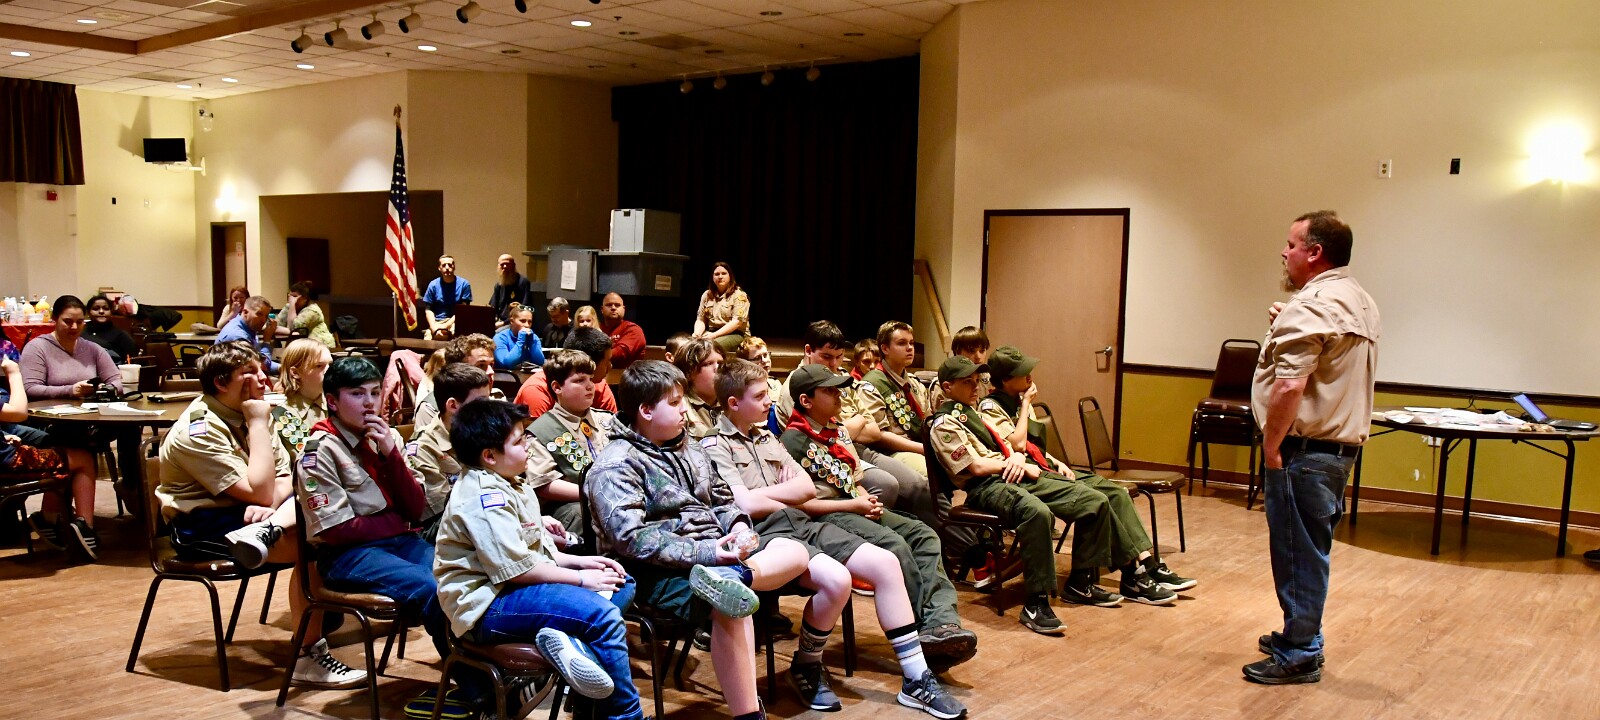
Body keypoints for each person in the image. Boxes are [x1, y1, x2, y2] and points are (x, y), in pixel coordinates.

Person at [704, 359, 969, 716]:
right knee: (838, 580)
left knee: (886, 562)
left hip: (801, 521)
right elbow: (746, 504)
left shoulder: (767, 437)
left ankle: (916, 678)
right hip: (762, 534)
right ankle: (807, 664)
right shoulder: (714, 444)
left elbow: (803, 488)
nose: (770, 401)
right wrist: (783, 493)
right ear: (734, 403)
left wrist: (775, 495)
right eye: (760, 395)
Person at [586, 359, 808, 720]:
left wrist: (738, 529)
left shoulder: (690, 448)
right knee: (731, 607)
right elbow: (632, 540)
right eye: (674, 403)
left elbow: (722, 500)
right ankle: (749, 715)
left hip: (716, 557)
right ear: (645, 411)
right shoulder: (616, 464)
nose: (684, 410)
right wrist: (708, 552)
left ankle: (731, 577)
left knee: (795, 551)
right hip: (654, 572)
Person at [157, 341, 365, 688]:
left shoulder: (256, 410)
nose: (264, 379)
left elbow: (291, 475)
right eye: (249, 373)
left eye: (261, 369)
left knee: (326, 522)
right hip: (200, 525)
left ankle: (274, 535)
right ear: (221, 383)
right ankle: (307, 657)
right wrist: (257, 428)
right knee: (314, 541)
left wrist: (268, 496)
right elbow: (264, 490)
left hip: (257, 512)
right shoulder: (198, 429)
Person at [928, 356, 1184, 635]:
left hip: (1014, 474)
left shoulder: (972, 413)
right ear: (947, 387)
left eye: (977, 381)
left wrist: (1017, 458)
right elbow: (975, 466)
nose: (976, 387)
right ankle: (1036, 603)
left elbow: (1010, 446)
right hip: (986, 486)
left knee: (1096, 500)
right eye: (968, 382)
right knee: (1037, 513)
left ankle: (1081, 582)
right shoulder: (944, 423)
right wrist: (1012, 462)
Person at [434, 398, 642, 720]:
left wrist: (583, 563)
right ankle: (624, 716)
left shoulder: (511, 480)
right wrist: (582, 579)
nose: (529, 445)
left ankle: (572, 651)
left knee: (621, 582)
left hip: (517, 588)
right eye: (519, 441)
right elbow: (517, 570)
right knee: (603, 617)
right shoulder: (484, 496)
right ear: (489, 456)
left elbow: (539, 554)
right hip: (488, 606)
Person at [1245, 211, 1380, 685]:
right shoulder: (1358, 299)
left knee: (1297, 552)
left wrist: (1272, 448)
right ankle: (1299, 633)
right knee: (1308, 548)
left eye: (1291, 244)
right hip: (1334, 453)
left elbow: (1289, 386)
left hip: (1303, 451)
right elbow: (1330, 359)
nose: (1284, 253)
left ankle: (1300, 652)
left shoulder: (1314, 304)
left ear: (1315, 252)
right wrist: (1287, 321)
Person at [780, 363, 979, 670]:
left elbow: (854, 478)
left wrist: (865, 498)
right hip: (827, 517)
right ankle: (922, 633)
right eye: (829, 391)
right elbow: (800, 505)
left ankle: (942, 622)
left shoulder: (836, 430)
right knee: (894, 545)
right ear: (806, 401)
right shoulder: (792, 442)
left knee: (924, 535)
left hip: (854, 506)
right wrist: (854, 505)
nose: (839, 396)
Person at [975, 346, 1196, 604]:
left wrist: (1057, 461)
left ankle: (1146, 564)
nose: (1030, 376)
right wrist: (1025, 405)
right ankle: (1131, 573)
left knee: (1116, 493)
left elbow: (1035, 448)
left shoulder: (1020, 398)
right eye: (1023, 372)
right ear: (1005, 380)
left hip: (1044, 466)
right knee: (1094, 500)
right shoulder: (992, 406)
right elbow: (1018, 445)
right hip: (1025, 476)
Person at [298, 356, 455, 704]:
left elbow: (415, 508)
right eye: (357, 394)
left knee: (460, 575)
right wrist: (398, 522)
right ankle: (476, 684)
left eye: (373, 392)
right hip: (348, 556)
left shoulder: (388, 437)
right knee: (432, 588)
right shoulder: (320, 451)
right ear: (332, 401)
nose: (369, 403)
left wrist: (391, 454)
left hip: (400, 543)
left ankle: (495, 668)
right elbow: (337, 530)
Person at [776, 322, 974, 562]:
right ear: (808, 351)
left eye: (838, 357)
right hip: (829, 456)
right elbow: (826, 432)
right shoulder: (798, 386)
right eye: (827, 357)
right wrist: (852, 425)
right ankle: (965, 548)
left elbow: (869, 429)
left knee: (931, 485)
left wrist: (851, 425)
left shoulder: (841, 379)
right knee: (899, 484)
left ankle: (962, 545)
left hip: (854, 448)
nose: (834, 364)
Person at [18, 295, 122, 559]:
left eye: (79, 322)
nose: (74, 327)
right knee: (77, 443)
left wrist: (103, 388)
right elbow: (29, 388)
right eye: (67, 321)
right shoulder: (37, 348)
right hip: (45, 421)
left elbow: (116, 381)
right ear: (54, 320)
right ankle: (80, 524)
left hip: (87, 418)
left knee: (118, 433)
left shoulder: (92, 348)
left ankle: (52, 517)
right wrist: (70, 390)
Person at [4, 356, 98, 560]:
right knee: (83, 458)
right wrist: (14, 373)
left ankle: (47, 519)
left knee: (58, 447)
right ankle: (85, 529)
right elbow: (19, 413)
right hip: (6, 462)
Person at [525, 350, 611, 534]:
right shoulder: (543, 430)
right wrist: (592, 494)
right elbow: (543, 484)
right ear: (557, 387)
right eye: (580, 380)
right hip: (572, 503)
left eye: (590, 379)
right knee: (582, 513)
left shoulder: (607, 420)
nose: (590, 386)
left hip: (614, 492)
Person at [408, 362, 492, 542]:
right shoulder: (423, 447)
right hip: (441, 528)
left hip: (483, 513)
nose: (487, 410)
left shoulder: (483, 432)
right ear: (453, 405)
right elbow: (441, 512)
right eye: (480, 403)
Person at [857, 320, 932, 476]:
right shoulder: (871, 385)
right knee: (930, 472)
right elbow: (879, 436)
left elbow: (927, 419)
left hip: (920, 445)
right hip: (891, 452)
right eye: (902, 343)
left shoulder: (914, 384)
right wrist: (923, 449)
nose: (910, 348)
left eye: (911, 343)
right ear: (885, 348)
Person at [516, 327, 618, 419]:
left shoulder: (598, 384)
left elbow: (613, 428)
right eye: (607, 361)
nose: (610, 366)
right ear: (588, 362)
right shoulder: (537, 390)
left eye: (590, 379)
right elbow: (538, 433)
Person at [415, 333, 497, 428]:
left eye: (491, 365)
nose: (491, 372)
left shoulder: (497, 396)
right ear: (457, 369)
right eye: (481, 365)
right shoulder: (431, 407)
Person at [273, 339, 332, 457]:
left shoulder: (339, 405)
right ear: (295, 373)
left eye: (330, 364)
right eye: (319, 366)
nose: (329, 371)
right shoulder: (282, 415)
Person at [693, 262, 751, 355]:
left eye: (724, 273)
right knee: (690, 344)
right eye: (717, 274)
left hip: (736, 334)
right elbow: (701, 319)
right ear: (712, 277)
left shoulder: (739, 295)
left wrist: (714, 335)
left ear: (730, 276)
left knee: (710, 346)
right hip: (712, 332)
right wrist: (697, 333)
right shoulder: (707, 295)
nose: (720, 277)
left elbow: (736, 322)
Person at [670, 337, 722, 439]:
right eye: (708, 364)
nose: (717, 368)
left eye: (720, 363)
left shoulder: (734, 403)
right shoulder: (679, 407)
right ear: (688, 373)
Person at [215, 295, 280, 374]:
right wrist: (266, 341)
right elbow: (261, 367)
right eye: (259, 314)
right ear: (245, 312)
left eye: (266, 316)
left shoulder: (249, 328)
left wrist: (282, 367)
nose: (263, 320)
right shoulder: (239, 336)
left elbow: (258, 360)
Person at [735, 336, 786, 435]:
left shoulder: (775, 383)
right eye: (757, 358)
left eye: (765, 355)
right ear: (745, 363)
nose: (764, 360)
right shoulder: (742, 390)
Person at [929, 327, 990, 408]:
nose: (978, 356)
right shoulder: (945, 381)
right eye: (971, 351)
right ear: (958, 352)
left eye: (982, 351)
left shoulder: (987, 378)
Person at [423, 255, 473, 341]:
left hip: (456, 321)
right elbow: (428, 309)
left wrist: (445, 326)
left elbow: (463, 310)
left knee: (455, 336)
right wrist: (434, 328)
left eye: (450, 265)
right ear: (439, 268)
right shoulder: (433, 285)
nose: (447, 268)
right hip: (437, 321)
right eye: (444, 265)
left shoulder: (464, 284)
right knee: (428, 339)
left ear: (454, 267)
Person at [278, 281, 337, 349]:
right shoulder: (289, 306)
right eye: (290, 296)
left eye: (295, 297)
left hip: (320, 345)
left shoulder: (313, 310)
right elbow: (277, 325)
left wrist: (292, 305)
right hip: (301, 345)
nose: (291, 299)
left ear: (305, 299)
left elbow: (294, 328)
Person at [81, 294, 137, 364]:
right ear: (88, 312)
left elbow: (131, 361)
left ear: (111, 312)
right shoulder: (80, 331)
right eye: (96, 308)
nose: (101, 311)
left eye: (106, 308)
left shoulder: (121, 335)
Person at [598, 293, 646, 369]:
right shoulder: (597, 328)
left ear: (623, 309)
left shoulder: (633, 329)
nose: (613, 308)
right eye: (609, 305)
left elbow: (620, 354)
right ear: (602, 309)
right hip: (599, 374)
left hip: (627, 374)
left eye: (617, 305)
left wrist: (593, 355)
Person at [492, 304, 546, 371]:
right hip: (505, 376)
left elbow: (540, 362)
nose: (527, 325)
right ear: (512, 321)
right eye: (522, 321)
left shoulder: (534, 337)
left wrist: (532, 343)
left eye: (530, 322)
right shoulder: (500, 338)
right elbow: (505, 364)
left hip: (526, 375)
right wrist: (520, 341)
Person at [488, 253, 531, 326]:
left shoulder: (523, 282)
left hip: (516, 323)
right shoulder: (499, 284)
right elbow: (493, 306)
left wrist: (503, 323)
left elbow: (526, 307)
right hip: (500, 322)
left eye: (507, 264)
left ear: (513, 265)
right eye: (502, 264)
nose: (505, 267)